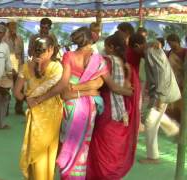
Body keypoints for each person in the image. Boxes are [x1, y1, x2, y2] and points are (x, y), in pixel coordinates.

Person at [27, 27, 126, 179]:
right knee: (82, 147)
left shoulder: (69, 56)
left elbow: (62, 84)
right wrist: (129, 91)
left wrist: (40, 99)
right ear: (91, 40)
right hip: (89, 108)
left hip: (71, 104)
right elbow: (113, 86)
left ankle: (66, 174)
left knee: (66, 141)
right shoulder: (99, 60)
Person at [86, 33, 139, 179]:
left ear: (112, 47)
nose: (104, 48)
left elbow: (108, 85)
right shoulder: (126, 64)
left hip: (108, 108)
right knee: (113, 147)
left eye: (106, 46)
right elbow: (129, 87)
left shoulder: (107, 61)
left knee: (102, 144)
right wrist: (127, 90)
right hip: (122, 110)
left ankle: (101, 175)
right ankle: (111, 174)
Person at [15, 36, 63, 180]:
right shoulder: (56, 67)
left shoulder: (25, 67)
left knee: (34, 149)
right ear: (50, 50)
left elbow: (17, 93)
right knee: (47, 152)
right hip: (52, 114)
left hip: (34, 115)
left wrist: (27, 99)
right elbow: (60, 89)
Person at [139, 35, 181, 164]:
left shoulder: (150, 52)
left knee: (151, 123)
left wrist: (160, 98)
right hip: (166, 92)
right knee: (157, 117)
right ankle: (174, 129)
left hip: (163, 93)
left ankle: (153, 157)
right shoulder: (155, 50)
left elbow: (161, 74)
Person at [3, 19, 25, 115]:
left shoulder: (20, 38)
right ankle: (5, 109)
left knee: (20, 88)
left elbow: (22, 53)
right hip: (7, 67)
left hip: (19, 67)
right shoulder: (3, 39)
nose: (13, 28)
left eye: (14, 26)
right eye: (11, 25)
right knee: (6, 88)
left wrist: (23, 67)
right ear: (7, 26)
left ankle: (19, 108)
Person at [165, 33, 186, 122]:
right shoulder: (170, 53)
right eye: (169, 44)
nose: (171, 45)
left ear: (177, 41)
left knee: (181, 103)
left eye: (172, 43)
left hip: (182, 81)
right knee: (172, 103)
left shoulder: (185, 52)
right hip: (172, 82)